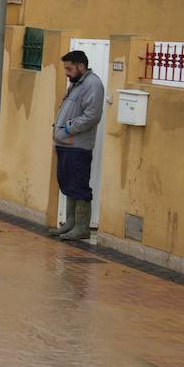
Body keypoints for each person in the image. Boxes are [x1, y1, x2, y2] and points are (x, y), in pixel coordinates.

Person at [48, 49, 105, 241]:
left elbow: (92, 116)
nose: (66, 72)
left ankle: (82, 227)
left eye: (69, 68)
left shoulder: (92, 84)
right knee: (67, 182)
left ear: (81, 66)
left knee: (79, 184)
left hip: (78, 146)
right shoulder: (77, 83)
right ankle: (71, 223)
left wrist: (67, 129)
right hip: (66, 144)